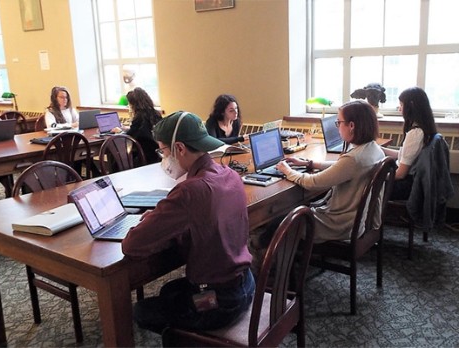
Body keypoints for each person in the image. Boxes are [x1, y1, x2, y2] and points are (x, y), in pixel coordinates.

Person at [123, 111, 253, 333]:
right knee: (169, 291)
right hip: (246, 284)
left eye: (162, 150)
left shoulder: (189, 191)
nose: (163, 157)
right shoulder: (229, 174)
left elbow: (131, 245)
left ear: (180, 148)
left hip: (220, 302)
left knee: (141, 311)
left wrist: (154, 221)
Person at [272, 100, 385, 242]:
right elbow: (342, 167)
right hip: (357, 221)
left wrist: (287, 170)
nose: (337, 127)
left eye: (339, 122)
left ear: (351, 125)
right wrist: (310, 163)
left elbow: (312, 182)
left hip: (337, 225)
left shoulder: (353, 159)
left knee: (278, 223)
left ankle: (268, 261)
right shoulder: (373, 149)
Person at [382, 87, 441, 199]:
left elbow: (400, 174)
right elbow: (403, 155)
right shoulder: (424, 128)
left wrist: (375, 177)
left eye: (401, 105)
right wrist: (381, 149)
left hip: (405, 185)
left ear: (411, 106)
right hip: (409, 181)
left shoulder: (416, 133)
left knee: (362, 184)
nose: (399, 109)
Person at [108, 87, 161, 165]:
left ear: (133, 104)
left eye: (129, 104)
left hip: (144, 155)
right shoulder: (156, 113)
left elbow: (129, 136)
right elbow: (142, 130)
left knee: (116, 158)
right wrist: (127, 129)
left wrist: (120, 131)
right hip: (157, 153)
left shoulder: (139, 117)